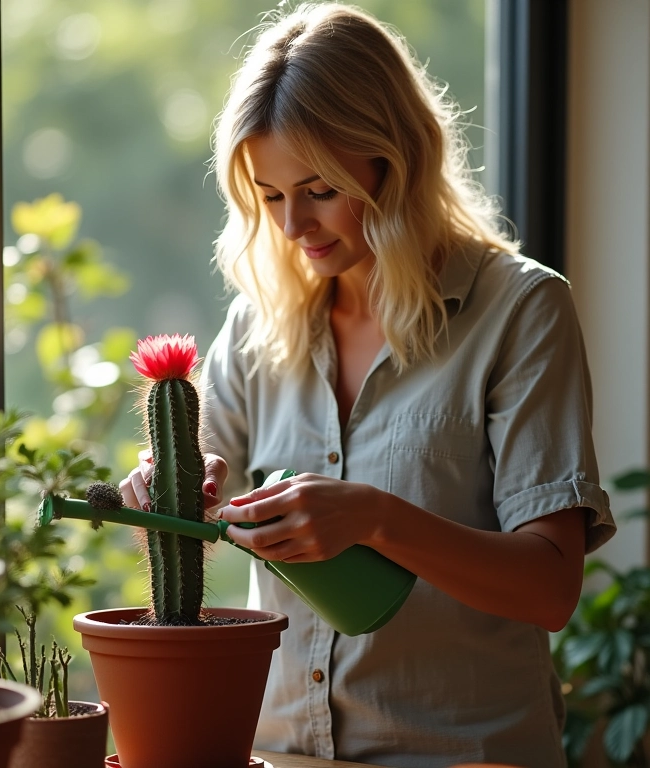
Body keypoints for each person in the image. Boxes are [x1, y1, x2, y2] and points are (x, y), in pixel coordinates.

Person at [120, 4, 616, 767]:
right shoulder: (260, 324)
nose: (292, 226)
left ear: (398, 159)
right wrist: (172, 487)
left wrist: (379, 520)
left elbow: (550, 589)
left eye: (318, 190)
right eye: (270, 194)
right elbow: (199, 479)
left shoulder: (519, 310)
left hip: (465, 755)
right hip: (278, 751)